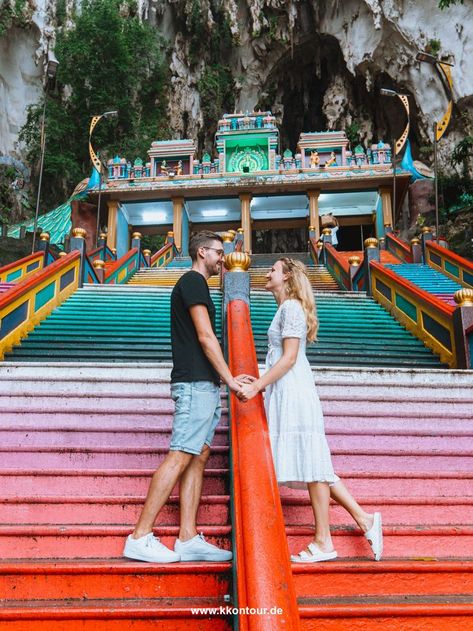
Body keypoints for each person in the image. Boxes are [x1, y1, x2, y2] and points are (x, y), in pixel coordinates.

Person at [237, 258, 382, 563]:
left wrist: (257, 386)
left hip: (294, 391)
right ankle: (362, 519)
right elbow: (283, 357)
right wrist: (261, 380)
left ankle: (324, 541)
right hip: (288, 389)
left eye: (273, 270)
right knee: (315, 461)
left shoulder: (290, 307)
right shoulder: (286, 307)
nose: (267, 273)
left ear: (286, 275)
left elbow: (289, 358)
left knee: (314, 462)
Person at [124, 231, 245, 563]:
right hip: (194, 383)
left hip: (203, 383)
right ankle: (140, 536)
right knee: (180, 455)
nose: (224, 258)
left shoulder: (198, 284)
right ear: (202, 251)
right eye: (219, 252)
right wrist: (231, 380)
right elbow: (206, 337)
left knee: (199, 454)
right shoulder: (193, 281)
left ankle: (188, 537)